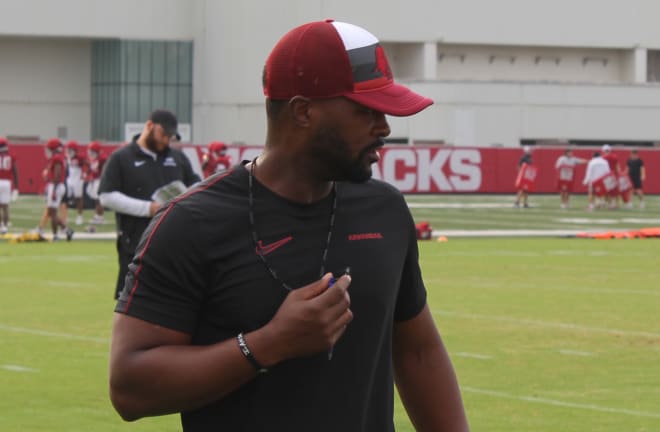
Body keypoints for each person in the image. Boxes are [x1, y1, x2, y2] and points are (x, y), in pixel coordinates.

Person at [109, 20, 469, 432]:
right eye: (366, 111)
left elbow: (417, 352)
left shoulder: (384, 209)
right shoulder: (190, 224)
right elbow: (129, 387)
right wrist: (268, 344)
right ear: (303, 111)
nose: (384, 127)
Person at [99, 110, 201, 299]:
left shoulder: (178, 158)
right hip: (135, 244)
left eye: (170, 137)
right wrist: (148, 208)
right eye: (163, 134)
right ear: (149, 126)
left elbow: (197, 184)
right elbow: (107, 196)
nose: (166, 141)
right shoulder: (121, 157)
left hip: (175, 245)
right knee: (132, 304)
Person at [42, 138, 74, 240]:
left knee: (53, 212)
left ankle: (57, 234)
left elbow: (57, 173)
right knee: (52, 212)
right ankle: (64, 231)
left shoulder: (57, 158)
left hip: (56, 185)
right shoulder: (60, 157)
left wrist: (54, 189)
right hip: (57, 185)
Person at [64, 140, 87, 225]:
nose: (68, 151)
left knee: (78, 198)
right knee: (65, 197)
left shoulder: (80, 157)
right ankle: (65, 216)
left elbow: (88, 164)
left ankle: (79, 216)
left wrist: (85, 173)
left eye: (70, 149)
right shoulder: (67, 156)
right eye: (68, 149)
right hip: (69, 179)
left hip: (78, 179)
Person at [0, 137, 19, 234]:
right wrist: (16, 188)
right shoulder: (11, 156)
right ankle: (5, 227)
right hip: (7, 182)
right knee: (5, 207)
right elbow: (15, 172)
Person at [85, 141, 107, 224]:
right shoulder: (94, 158)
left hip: (100, 180)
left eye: (92, 151)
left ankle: (100, 217)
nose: (90, 153)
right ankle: (97, 215)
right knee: (96, 199)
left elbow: (105, 171)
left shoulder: (102, 158)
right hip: (95, 180)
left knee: (99, 199)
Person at [601, 144, 621, 209]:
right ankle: (617, 204)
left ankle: (610, 204)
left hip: (607, 176)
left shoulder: (603, 157)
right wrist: (619, 174)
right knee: (615, 191)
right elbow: (618, 167)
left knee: (608, 191)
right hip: (614, 175)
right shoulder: (614, 157)